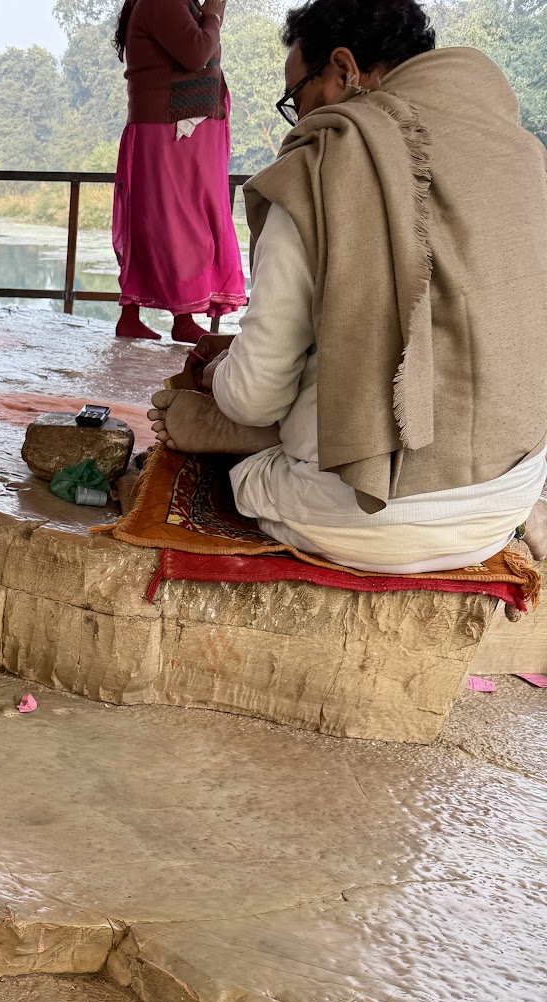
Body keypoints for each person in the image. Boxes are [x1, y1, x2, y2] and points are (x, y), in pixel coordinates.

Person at [150, 0, 547, 574]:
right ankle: (515, 501)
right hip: (501, 501)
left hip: (373, 521)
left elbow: (252, 393)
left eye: (298, 97)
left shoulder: (322, 166)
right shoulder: (526, 155)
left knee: (247, 461)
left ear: (343, 71)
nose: (300, 117)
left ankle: (266, 445)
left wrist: (218, 378)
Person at [112, 0, 246, 344]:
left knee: (172, 223)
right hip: (169, 131)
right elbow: (197, 52)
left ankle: (147, 315)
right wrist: (214, 12)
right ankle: (179, 319)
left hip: (180, 131)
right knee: (175, 226)